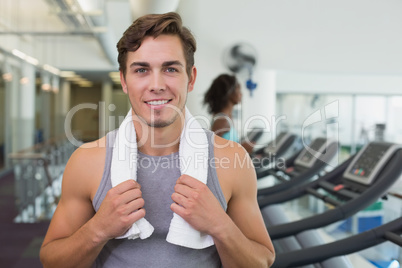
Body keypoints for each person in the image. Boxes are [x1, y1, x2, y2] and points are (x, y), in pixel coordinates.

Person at [40, 12, 275, 268]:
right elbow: (52, 261)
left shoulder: (231, 159)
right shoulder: (87, 162)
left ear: (191, 78)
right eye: (141, 70)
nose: (156, 84)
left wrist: (220, 226)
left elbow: (261, 261)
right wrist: (98, 228)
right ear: (124, 80)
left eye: (170, 69)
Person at [203, 74, 255, 153]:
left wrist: (240, 146)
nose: (241, 94)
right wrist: (241, 148)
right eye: (239, 90)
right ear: (230, 92)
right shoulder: (222, 121)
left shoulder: (226, 118)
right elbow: (213, 153)